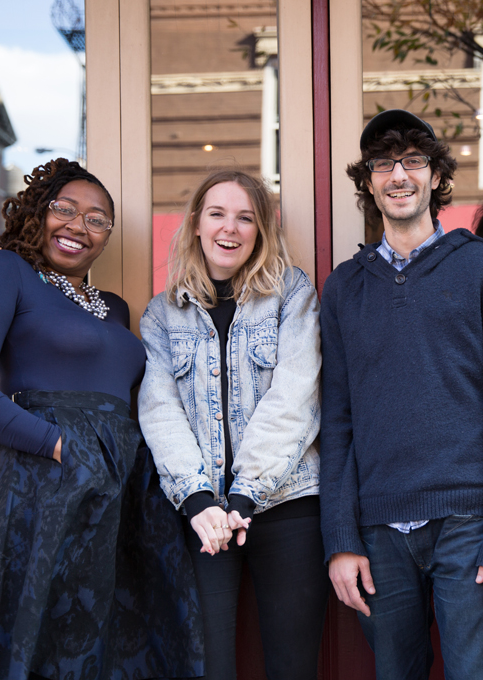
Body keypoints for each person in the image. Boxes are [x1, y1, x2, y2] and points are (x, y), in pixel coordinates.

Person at [0, 158, 202, 679]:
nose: (80, 226)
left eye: (98, 219)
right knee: (35, 637)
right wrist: (59, 446)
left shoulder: (115, 308)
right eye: (66, 209)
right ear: (38, 212)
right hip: (37, 488)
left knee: (113, 640)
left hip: (121, 496)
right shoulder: (5, 271)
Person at [320, 108, 483, 680]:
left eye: (413, 161)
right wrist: (341, 539)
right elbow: (337, 420)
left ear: (437, 178)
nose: (399, 174)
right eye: (384, 163)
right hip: (378, 530)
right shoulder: (345, 287)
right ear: (368, 181)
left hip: (470, 522)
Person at [138, 170, 328, 680]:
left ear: (261, 230)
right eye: (217, 214)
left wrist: (246, 494)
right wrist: (200, 501)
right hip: (203, 518)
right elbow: (160, 411)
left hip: (286, 504)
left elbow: (296, 394)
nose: (231, 228)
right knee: (209, 665)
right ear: (196, 224)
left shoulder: (292, 294)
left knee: (293, 667)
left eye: (246, 217)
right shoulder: (162, 315)